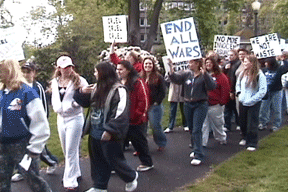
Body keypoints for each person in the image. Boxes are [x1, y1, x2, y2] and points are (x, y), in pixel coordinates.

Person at [74, 62, 138, 192]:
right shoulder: (96, 87)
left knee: (114, 159)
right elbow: (86, 103)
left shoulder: (119, 90)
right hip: (95, 131)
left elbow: (121, 112)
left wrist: (110, 130)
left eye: (96, 71)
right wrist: (80, 92)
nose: (94, 74)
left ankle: (131, 177)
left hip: (110, 133)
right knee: (97, 160)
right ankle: (100, 186)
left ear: (103, 73)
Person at [0, 59, 51, 192]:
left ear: (9, 70)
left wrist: (35, 148)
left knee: (34, 181)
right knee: (1, 182)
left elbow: (40, 123)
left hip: (23, 145)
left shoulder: (26, 92)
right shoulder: (2, 93)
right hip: (2, 145)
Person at [11, 62, 59, 182]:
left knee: (39, 150)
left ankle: (52, 162)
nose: (26, 74)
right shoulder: (17, 87)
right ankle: (22, 171)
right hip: (20, 125)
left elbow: (43, 108)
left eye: (29, 71)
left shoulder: (37, 88)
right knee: (20, 149)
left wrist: (40, 125)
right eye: (24, 72)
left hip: (34, 125)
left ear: (34, 73)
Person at [168, 58, 216, 166]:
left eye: (191, 62)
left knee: (197, 129)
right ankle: (195, 147)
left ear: (197, 63)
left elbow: (212, 86)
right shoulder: (187, 74)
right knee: (191, 128)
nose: (188, 64)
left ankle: (199, 154)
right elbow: (176, 79)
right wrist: (171, 68)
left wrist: (205, 75)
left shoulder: (204, 75)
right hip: (188, 104)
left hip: (200, 104)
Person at [51, 56, 89, 191]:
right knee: (66, 148)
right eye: (65, 67)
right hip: (61, 118)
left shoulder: (79, 80)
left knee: (71, 149)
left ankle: (70, 181)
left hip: (75, 117)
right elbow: (55, 98)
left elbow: (86, 98)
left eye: (70, 67)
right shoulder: (55, 82)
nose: (68, 70)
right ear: (59, 68)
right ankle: (76, 172)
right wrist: (57, 108)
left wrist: (74, 104)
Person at [236, 55, 267, 151]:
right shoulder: (242, 74)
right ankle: (244, 137)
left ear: (252, 63)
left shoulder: (259, 75)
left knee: (252, 123)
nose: (244, 63)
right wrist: (239, 94)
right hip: (243, 101)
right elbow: (238, 84)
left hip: (254, 103)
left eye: (246, 61)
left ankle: (252, 143)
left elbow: (262, 91)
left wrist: (252, 100)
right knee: (243, 122)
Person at [140, 56, 167, 151]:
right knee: (142, 127)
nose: (148, 65)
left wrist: (156, 102)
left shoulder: (158, 77)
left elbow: (163, 91)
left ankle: (161, 142)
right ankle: (141, 147)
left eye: (150, 64)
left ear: (153, 65)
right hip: (143, 106)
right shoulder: (140, 76)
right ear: (143, 65)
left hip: (154, 106)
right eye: (146, 64)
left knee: (155, 125)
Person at [202, 57, 230, 147]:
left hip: (216, 105)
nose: (208, 65)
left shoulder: (220, 76)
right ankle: (202, 142)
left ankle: (221, 138)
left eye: (210, 63)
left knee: (218, 123)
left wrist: (222, 101)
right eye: (206, 63)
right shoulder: (202, 75)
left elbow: (225, 89)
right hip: (204, 104)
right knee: (203, 125)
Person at [258, 57, 288, 132]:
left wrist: (283, 59)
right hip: (266, 91)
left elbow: (286, 67)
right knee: (263, 108)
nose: (265, 64)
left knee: (277, 108)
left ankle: (276, 125)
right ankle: (263, 122)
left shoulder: (279, 69)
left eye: (267, 62)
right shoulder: (264, 70)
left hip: (277, 91)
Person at [223, 50, 241, 132]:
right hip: (228, 88)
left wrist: (232, 91)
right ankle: (227, 125)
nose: (230, 57)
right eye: (228, 55)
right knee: (227, 109)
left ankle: (239, 123)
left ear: (236, 56)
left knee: (235, 108)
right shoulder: (227, 64)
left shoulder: (238, 64)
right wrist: (225, 68)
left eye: (232, 55)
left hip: (234, 89)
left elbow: (234, 78)